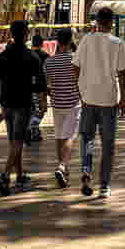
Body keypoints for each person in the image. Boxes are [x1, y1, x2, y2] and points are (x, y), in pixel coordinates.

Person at [75, 6, 125, 199]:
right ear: (112, 22)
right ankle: (104, 185)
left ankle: (86, 170)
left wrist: (80, 90)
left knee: (87, 139)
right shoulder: (118, 42)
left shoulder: (86, 40)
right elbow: (122, 73)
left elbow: (76, 67)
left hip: (88, 99)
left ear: (97, 21)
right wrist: (123, 98)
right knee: (108, 144)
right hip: (108, 100)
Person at [0, 22, 47, 195]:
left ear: (12, 34)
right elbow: (40, 82)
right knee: (18, 141)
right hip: (23, 104)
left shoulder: (3, 56)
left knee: (14, 141)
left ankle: (19, 175)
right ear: (26, 34)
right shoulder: (32, 57)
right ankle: (5, 176)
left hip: (6, 103)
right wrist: (42, 100)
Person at [43, 28, 81, 188]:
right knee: (71, 136)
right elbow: (80, 81)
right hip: (73, 103)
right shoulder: (75, 59)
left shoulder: (49, 62)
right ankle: (62, 166)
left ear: (57, 41)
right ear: (70, 40)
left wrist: (46, 98)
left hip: (57, 103)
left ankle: (63, 171)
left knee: (59, 136)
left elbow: (46, 85)